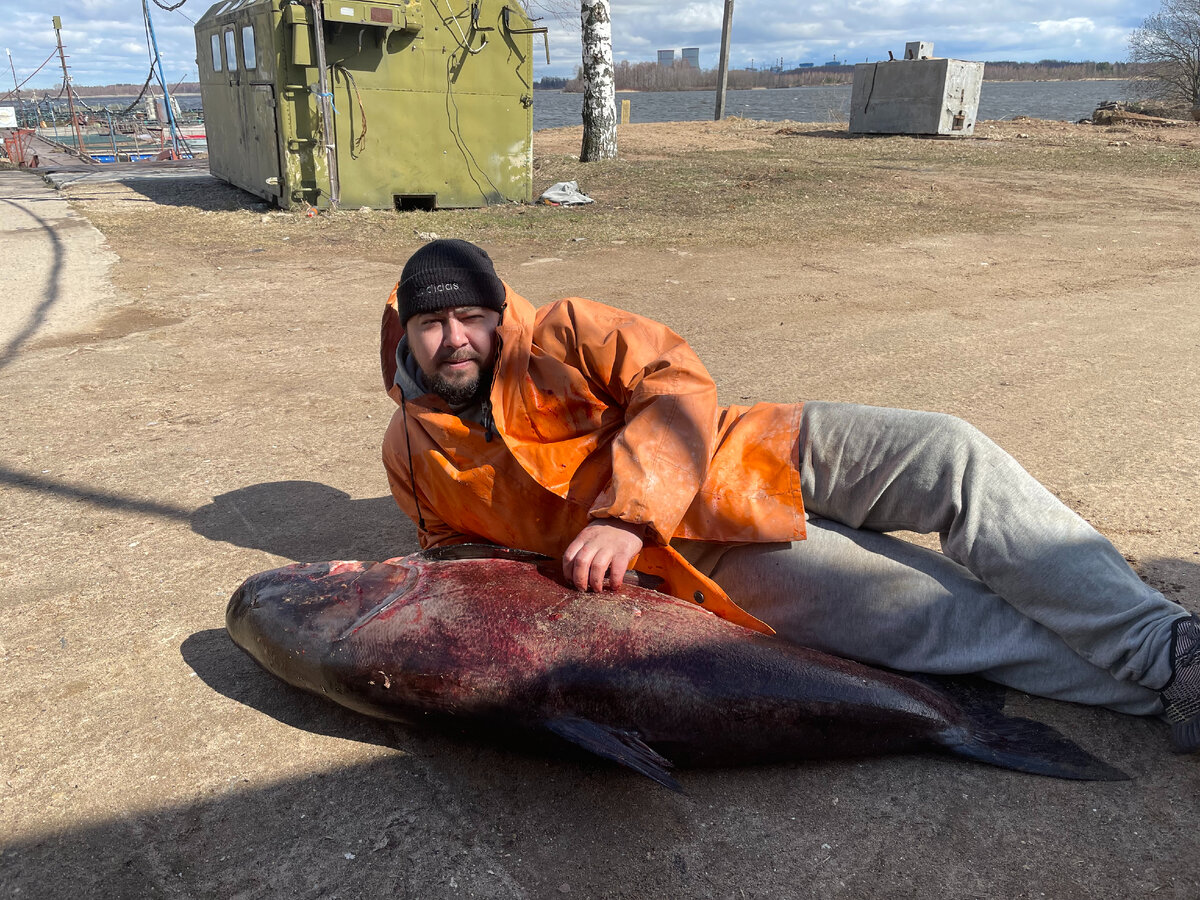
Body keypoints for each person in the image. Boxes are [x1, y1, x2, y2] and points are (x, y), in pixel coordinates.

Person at [380, 238, 1200, 752]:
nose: (457, 338)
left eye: (473, 317)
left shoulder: (562, 331)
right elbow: (459, 562)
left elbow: (674, 382)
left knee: (950, 452)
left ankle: (1172, 648)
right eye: (433, 325)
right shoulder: (411, 452)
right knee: (927, 614)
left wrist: (624, 515)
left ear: (499, 314)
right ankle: (1160, 686)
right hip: (697, 559)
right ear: (406, 336)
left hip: (750, 448)